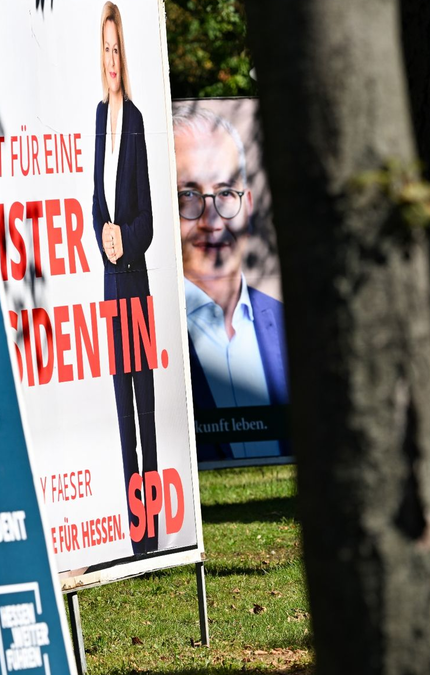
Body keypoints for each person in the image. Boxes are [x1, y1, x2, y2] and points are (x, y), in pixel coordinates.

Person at [172, 105, 289, 461]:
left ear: (248, 206)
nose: (212, 221)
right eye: (188, 195)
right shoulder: (148, 334)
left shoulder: (293, 326)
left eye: (225, 193)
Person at [91, 2, 157, 556]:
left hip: (135, 283)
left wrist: (124, 241)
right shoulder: (98, 117)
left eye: (117, 49)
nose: (111, 59)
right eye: (104, 49)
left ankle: (153, 530)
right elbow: (97, 204)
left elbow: (149, 220)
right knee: (120, 409)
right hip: (111, 288)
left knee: (146, 410)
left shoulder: (133, 120)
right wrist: (104, 238)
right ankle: (135, 537)